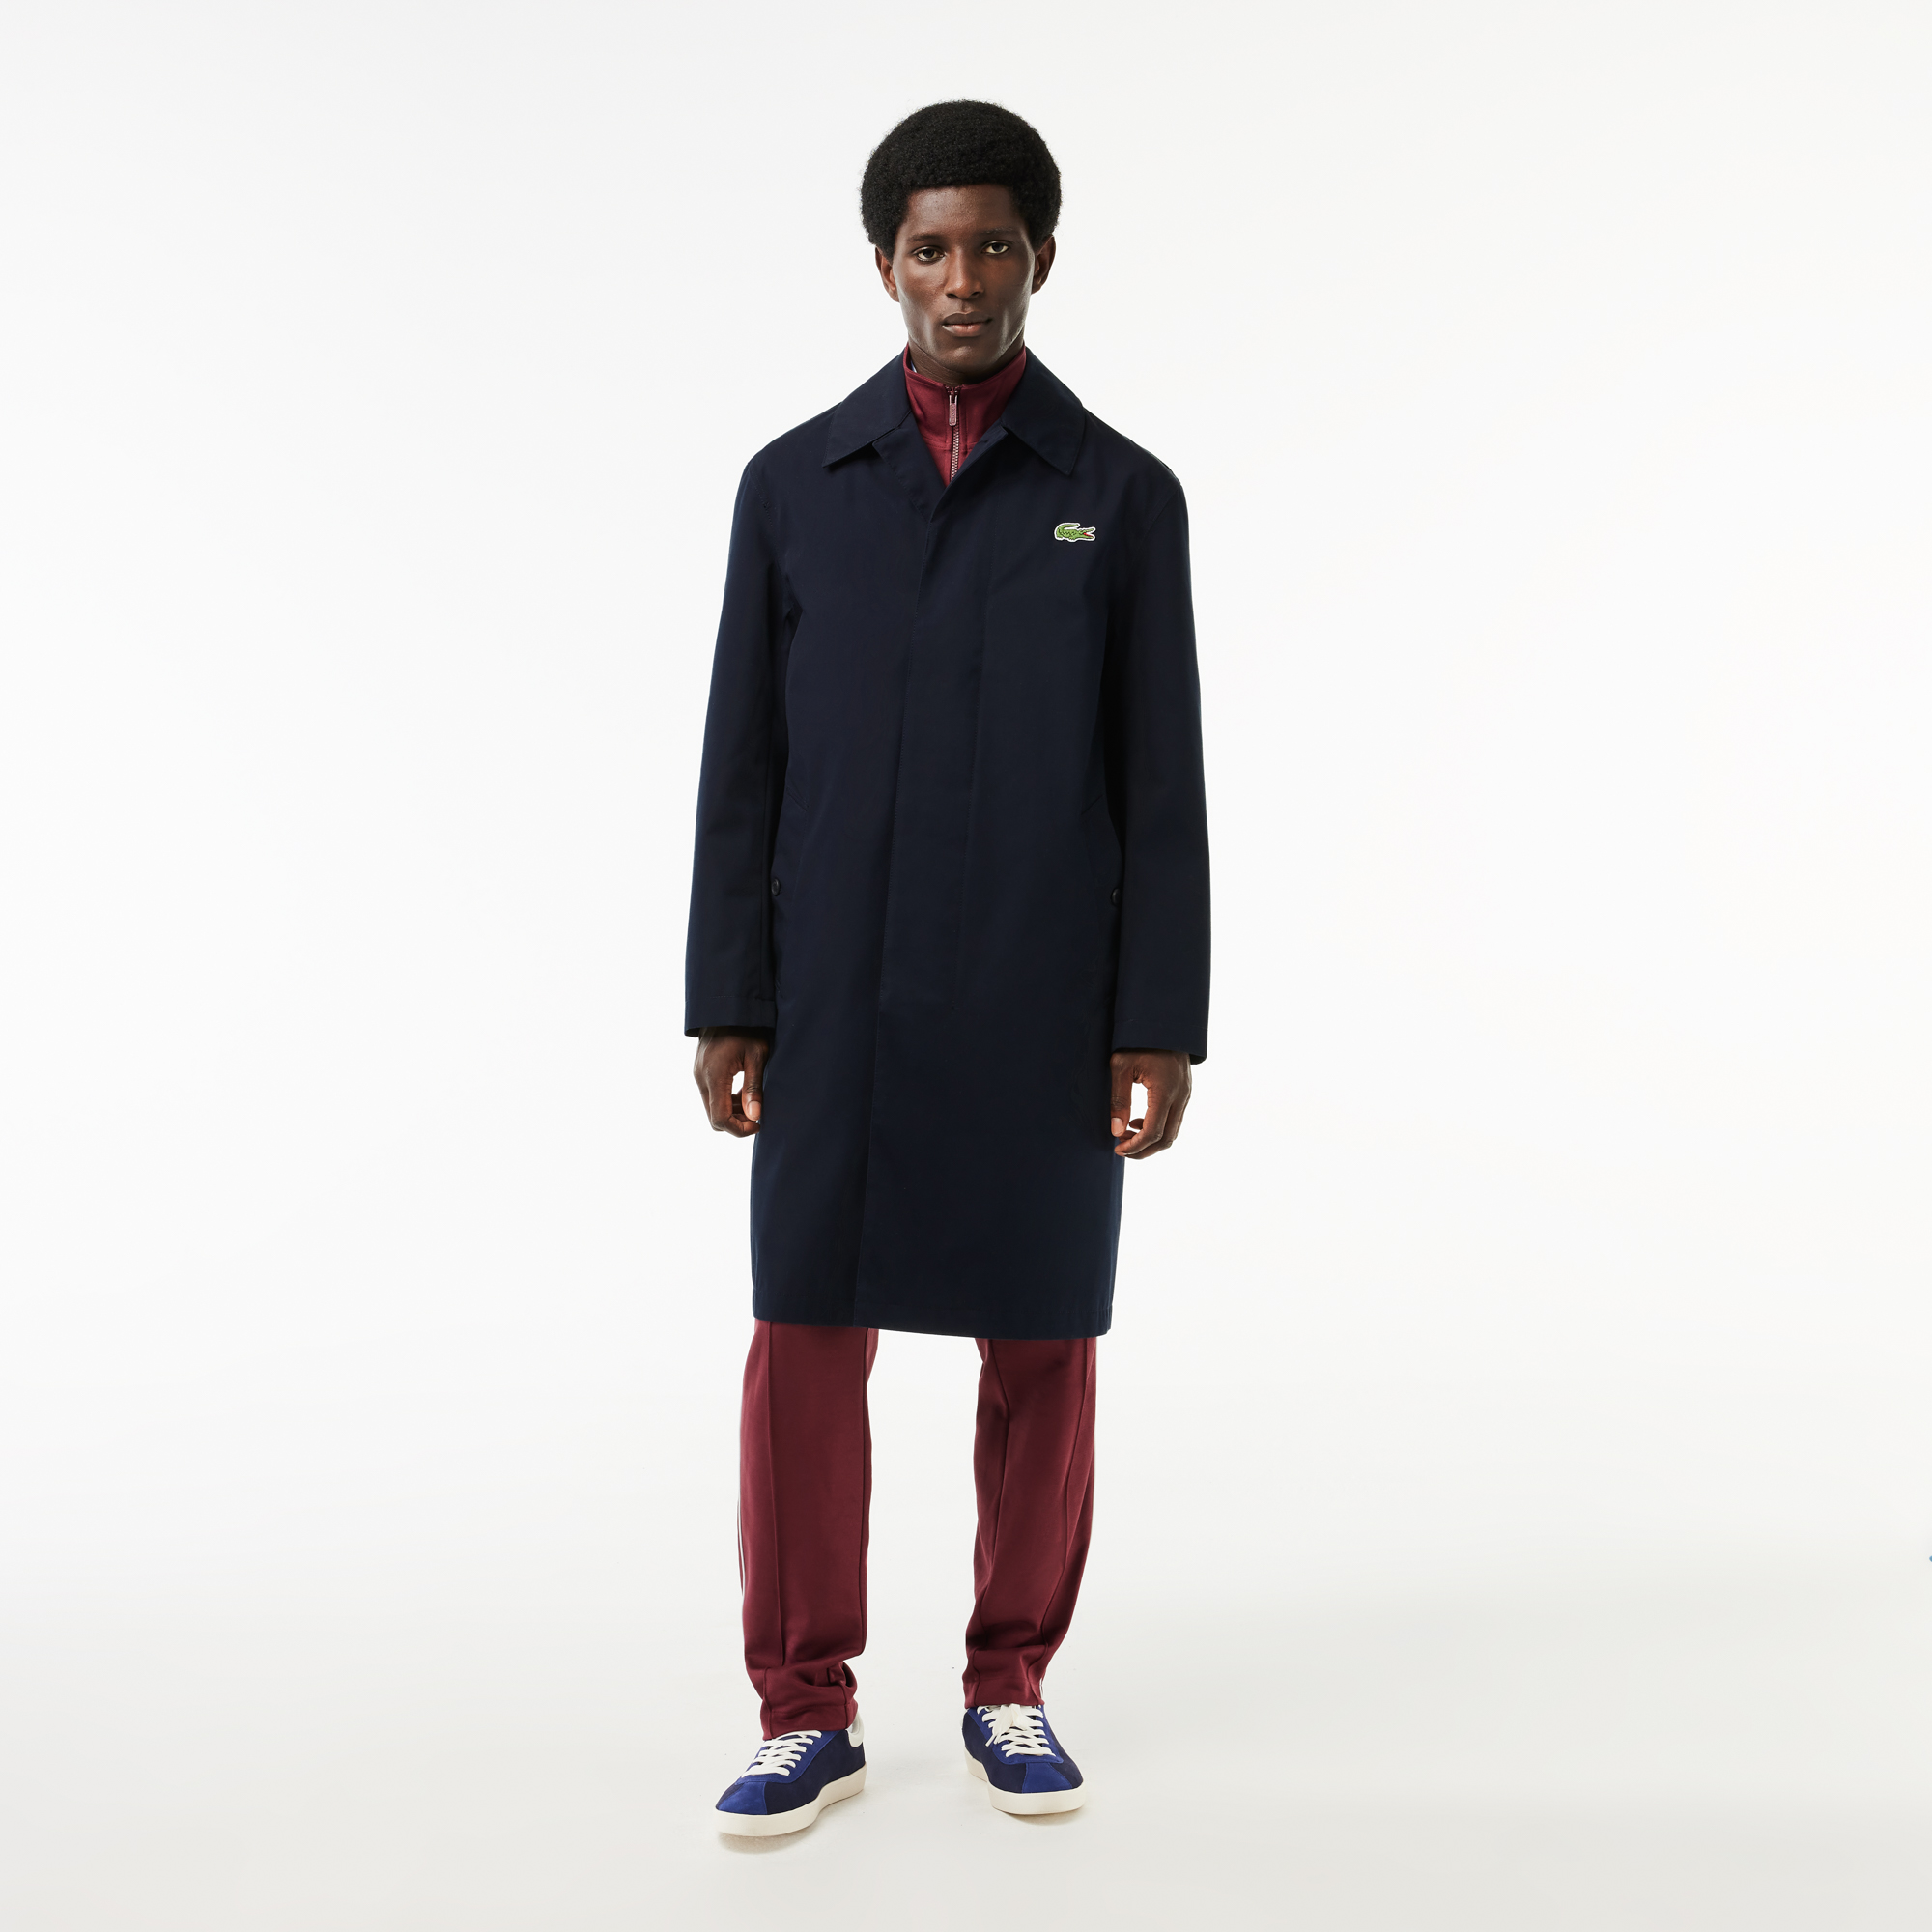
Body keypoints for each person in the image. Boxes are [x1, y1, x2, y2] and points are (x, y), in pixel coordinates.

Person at [684, 99, 1209, 1837]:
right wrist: (730, 996)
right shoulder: (793, 488)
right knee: (801, 1346)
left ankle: (1010, 1684)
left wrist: (1157, 1023)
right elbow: (743, 767)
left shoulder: (1118, 499)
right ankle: (803, 1707)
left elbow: (1159, 786)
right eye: (930, 249)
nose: (962, 279)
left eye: (993, 245)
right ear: (883, 266)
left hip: (1043, 1002)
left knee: (1041, 1346)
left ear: (1042, 258)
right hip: (832, 1000)